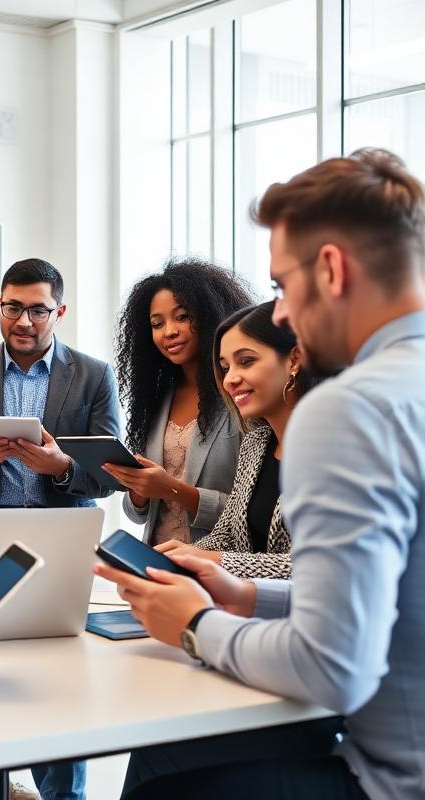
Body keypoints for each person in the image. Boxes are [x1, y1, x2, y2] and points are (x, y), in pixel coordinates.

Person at [97, 148, 425, 800]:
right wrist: (247, 597)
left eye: (280, 286)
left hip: (390, 779)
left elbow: (334, 668)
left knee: (160, 772)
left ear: (330, 269)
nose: (279, 312)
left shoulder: (351, 408)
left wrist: (195, 625)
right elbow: (388, 594)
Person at [0, 257, 121, 800]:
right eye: (14, 307)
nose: (24, 321)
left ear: (59, 310)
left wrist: (59, 468)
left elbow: (108, 474)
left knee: (59, 682)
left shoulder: (94, 375)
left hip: (63, 542)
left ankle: (63, 796)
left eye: (38, 310)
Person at [157, 300, 315, 580]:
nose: (229, 379)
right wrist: (179, 555)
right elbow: (228, 536)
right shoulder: (256, 445)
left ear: (294, 359)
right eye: (225, 367)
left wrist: (217, 561)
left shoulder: (335, 450)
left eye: (246, 361)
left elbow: (318, 568)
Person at [104, 258, 253, 545]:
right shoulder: (157, 399)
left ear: (210, 315)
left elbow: (253, 511)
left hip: (218, 567)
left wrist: (171, 488)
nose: (169, 331)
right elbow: (138, 514)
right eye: (157, 324)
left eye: (182, 317)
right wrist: (138, 488)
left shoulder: (240, 394)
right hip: (158, 560)